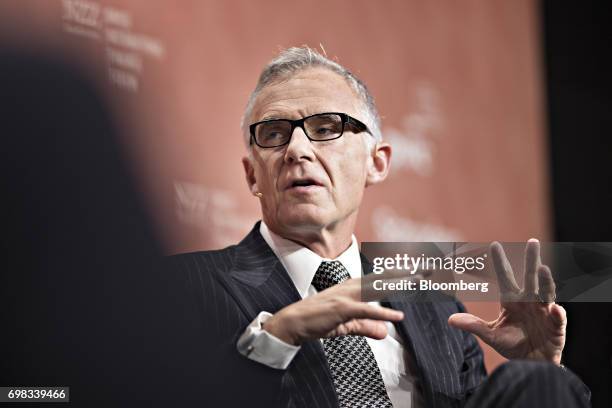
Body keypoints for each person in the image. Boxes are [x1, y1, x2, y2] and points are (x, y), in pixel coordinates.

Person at [167, 46, 590, 407]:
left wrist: (538, 378)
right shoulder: (183, 288)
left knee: (538, 381)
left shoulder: (438, 311)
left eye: (325, 128)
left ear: (377, 161)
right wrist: (279, 334)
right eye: (274, 134)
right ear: (252, 175)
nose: (296, 150)